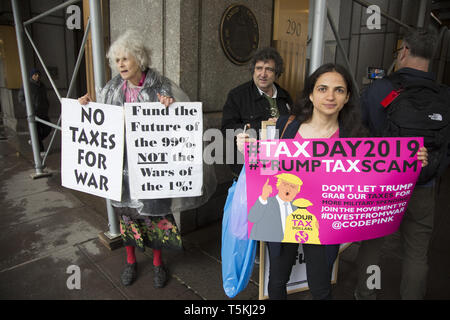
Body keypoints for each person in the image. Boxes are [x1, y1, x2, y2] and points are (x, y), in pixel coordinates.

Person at [237, 63, 428, 300]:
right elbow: (270, 168)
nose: (330, 96)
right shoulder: (287, 125)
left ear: (347, 97)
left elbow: (374, 176)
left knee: (321, 287)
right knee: (276, 281)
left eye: (338, 90)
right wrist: (248, 150)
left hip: (325, 223)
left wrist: (410, 159)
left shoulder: (356, 137)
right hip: (283, 218)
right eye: (322, 88)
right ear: (311, 93)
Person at [78, 30, 190, 289]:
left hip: (152, 165)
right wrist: (87, 106)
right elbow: (101, 118)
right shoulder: (112, 88)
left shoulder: (161, 87)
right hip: (123, 168)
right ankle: (130, 260)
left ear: (139, 59)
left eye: (125, 59)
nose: (120, 65)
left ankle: (157, 263)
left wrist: (169, 106)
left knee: (156, 214)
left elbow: (177, 126)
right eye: (117, 61)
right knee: (126, 215)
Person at [355, 28, 448, 300]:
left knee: (373, 244)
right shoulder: (445, 96)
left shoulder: (380, 89)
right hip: (425, 185)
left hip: (383, 186)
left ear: (404, 51)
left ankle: (365, 293)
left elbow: (359, 133)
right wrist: (432, 169)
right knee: (417, 254)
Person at [221, 47, 293, 177]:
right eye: (259, 68)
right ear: (253, 70)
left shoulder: (285, 96)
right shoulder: (238, 95)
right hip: (247, 168)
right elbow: (227, 129)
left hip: (280, 166)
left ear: (277, 73)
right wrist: (262, 126)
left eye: (269, 69)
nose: (263, 74)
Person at [248, 173, 303, 242]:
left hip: (291, 243)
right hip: (273, 241)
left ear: (297, 191)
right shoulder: (266, 201)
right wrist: (263, 197)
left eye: (293, 186)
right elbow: (252, 218)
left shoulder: (299, 207)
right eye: (285, 184)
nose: (288, 189)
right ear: (278, 186)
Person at [18, 68, 51, 156]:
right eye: (35, 74)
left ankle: (34, 140)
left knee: (48, 129)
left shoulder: (42, 85)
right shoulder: (26, 85)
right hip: (33, 113)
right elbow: (21, 98)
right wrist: (30, 108)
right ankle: (40, 150)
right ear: (31, 75)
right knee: (36, 131)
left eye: (38, 74)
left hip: (43, 112)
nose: (37, 76)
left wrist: (47, 104)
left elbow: (44, 96)